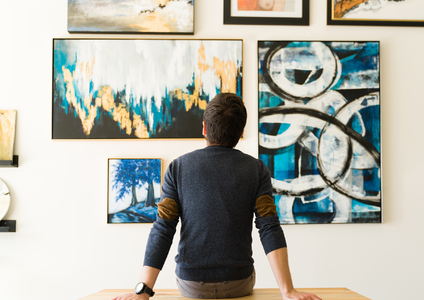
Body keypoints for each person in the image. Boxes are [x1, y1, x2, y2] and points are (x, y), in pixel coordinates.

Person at [113, 93, 321, 300]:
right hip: (239, 283)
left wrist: (143, 290)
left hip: (190, 285)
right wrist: (288, 291)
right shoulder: (257, 169)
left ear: (204, 128)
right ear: (241, 132)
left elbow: (163, 228)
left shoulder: (177, 168)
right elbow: (269, 227)